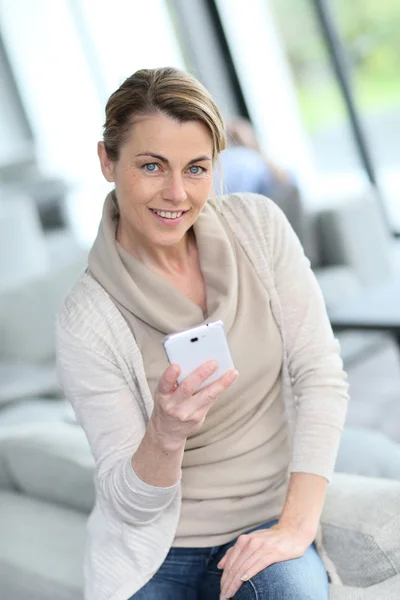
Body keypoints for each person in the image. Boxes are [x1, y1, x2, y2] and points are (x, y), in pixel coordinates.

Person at [56, 67, 349, 600]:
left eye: (196, 168)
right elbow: (128, 502)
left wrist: (295, 528)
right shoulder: (87, 319)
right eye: (151, 166)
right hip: (155, 554)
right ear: (107, 161)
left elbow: (321, 375)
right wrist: (165, 434)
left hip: (265, 527)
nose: (177, 194)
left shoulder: (258, 227)